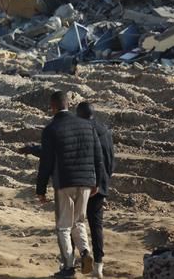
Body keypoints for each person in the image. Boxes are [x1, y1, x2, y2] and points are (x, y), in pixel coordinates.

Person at [36, 91, 103, 278]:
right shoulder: (87, 126)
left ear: (53, 107)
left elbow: (46, 162)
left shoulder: (51, 129)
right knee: (79, 221)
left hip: (64, 182)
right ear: (69, 104)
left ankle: (68, 266)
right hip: (86, 182)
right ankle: (85, 252)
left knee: (64, 226)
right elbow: (98, 156)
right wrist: (96, 181)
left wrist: (40, 190)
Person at [76, 102, 114, 279]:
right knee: (96, 226)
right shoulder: (105, 130)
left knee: (75, 223)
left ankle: (75, 259)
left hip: (85, 184)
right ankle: (98, 266)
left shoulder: (82, 131)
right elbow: (110, 159)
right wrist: (105, 180)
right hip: (102, 184)